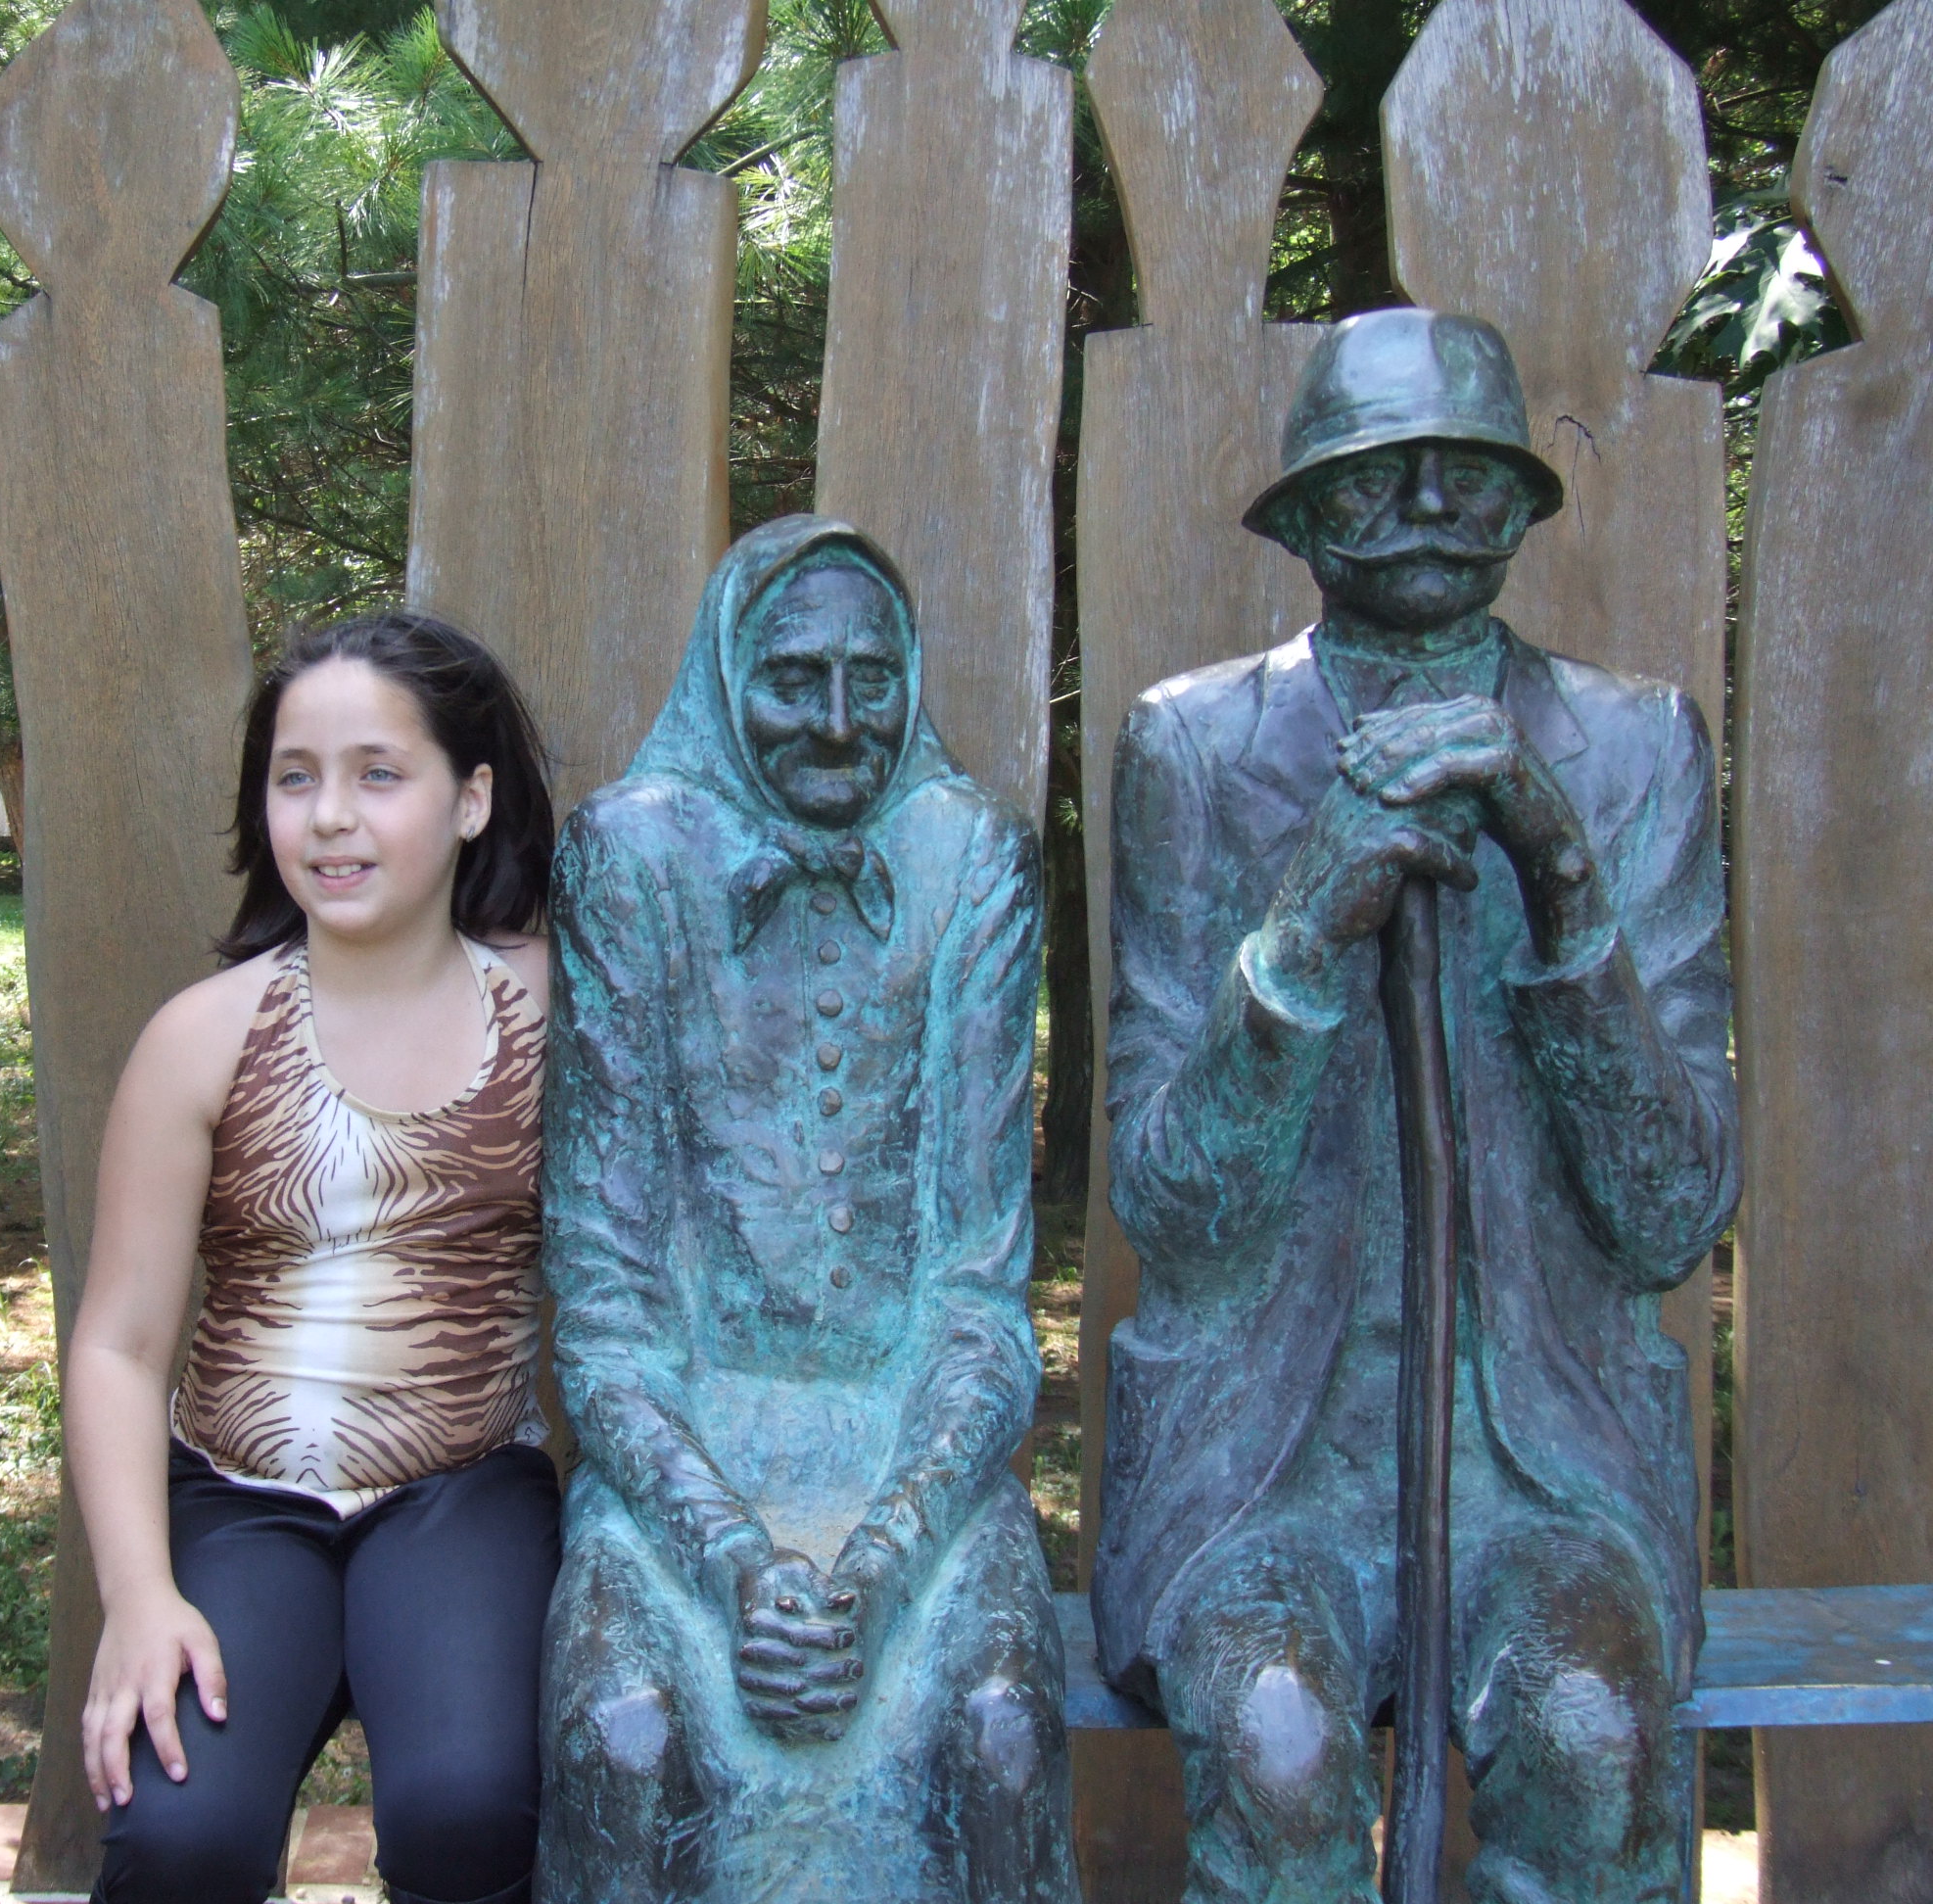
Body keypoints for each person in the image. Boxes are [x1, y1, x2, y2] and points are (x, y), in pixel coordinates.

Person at [1092, 309, 1739, 1903]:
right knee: (1278, 1745)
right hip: (1264, 1463)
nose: (1434, 507)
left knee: (1593, 1737)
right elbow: (1172, 1204)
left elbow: (1670, 1214)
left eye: (1471, 472)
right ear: (1304, 516)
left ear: (1525, 504)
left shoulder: (1635, 747)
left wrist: (1563, 876)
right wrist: (1300, 938)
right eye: (1380, 476)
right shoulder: (1196, 747)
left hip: (1552, 1465)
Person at [539, 516, 1077, 1904]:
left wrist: (884, 1560)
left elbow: (978, 1302)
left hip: (914, 1464)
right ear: (729, 679)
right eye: (793, 680)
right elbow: (606, 1316)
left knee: (1002, 1735)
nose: (840, 723)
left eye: (872, 678)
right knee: (625, 1737)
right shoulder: (627, 860)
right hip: (684, 1462)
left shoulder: (973, 860)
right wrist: (732, 1559)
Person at [65, 610, 561, 1904]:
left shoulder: (550, 1014)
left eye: (378, 774)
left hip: (461, 1492)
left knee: (469, 1808)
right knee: (182, 1837)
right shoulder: (206, 1037)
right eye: (296, 778)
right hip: (241, 1500)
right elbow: (119, 1346)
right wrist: (140, 1598)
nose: (331, 816)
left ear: (471, 800)